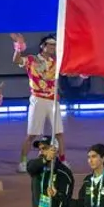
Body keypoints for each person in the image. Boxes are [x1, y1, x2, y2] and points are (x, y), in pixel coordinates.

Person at [11, 33, 64, 171]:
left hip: (53, 100)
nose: (53, 47)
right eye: (50, 44)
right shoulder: (32, 59)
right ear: (42, 46)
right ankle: (23, 162)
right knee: (32, 134)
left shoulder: (56, 62)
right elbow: (16, 60)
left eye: (54, 45)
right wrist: (19, 47)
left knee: (59, 133)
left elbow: (68, 72)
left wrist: (83, 72)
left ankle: (63, 161)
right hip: (38, 99)